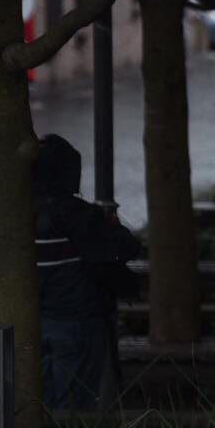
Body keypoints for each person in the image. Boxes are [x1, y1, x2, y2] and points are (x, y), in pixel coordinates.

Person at [33, 134, 140, 412]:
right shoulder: (76, 214)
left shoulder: (17, 215)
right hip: (76, 321)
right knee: (71, 411)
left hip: (33, 321)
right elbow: (126, 248)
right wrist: (111, 223)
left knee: (38, 406)